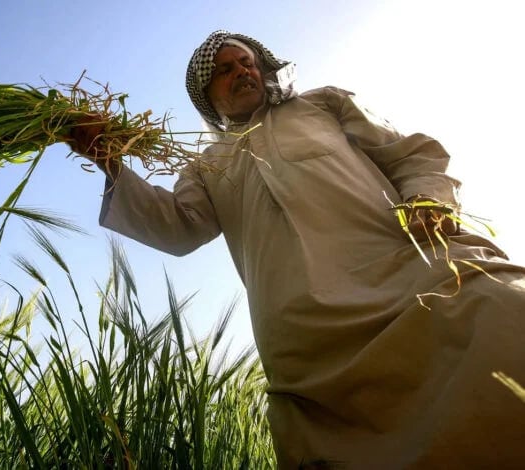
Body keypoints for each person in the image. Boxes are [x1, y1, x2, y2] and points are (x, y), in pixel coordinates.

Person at [69, 30, 525, 469]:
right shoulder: (204, 165)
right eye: (225, 70)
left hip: (408, 272)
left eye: (247, 62)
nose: (242, 71)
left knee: (501, 311)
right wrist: (108, 160)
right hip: (306, 330)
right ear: (207, 95)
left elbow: (409, 155)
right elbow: (178, 229)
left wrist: (429, 199)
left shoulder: (323, 104)